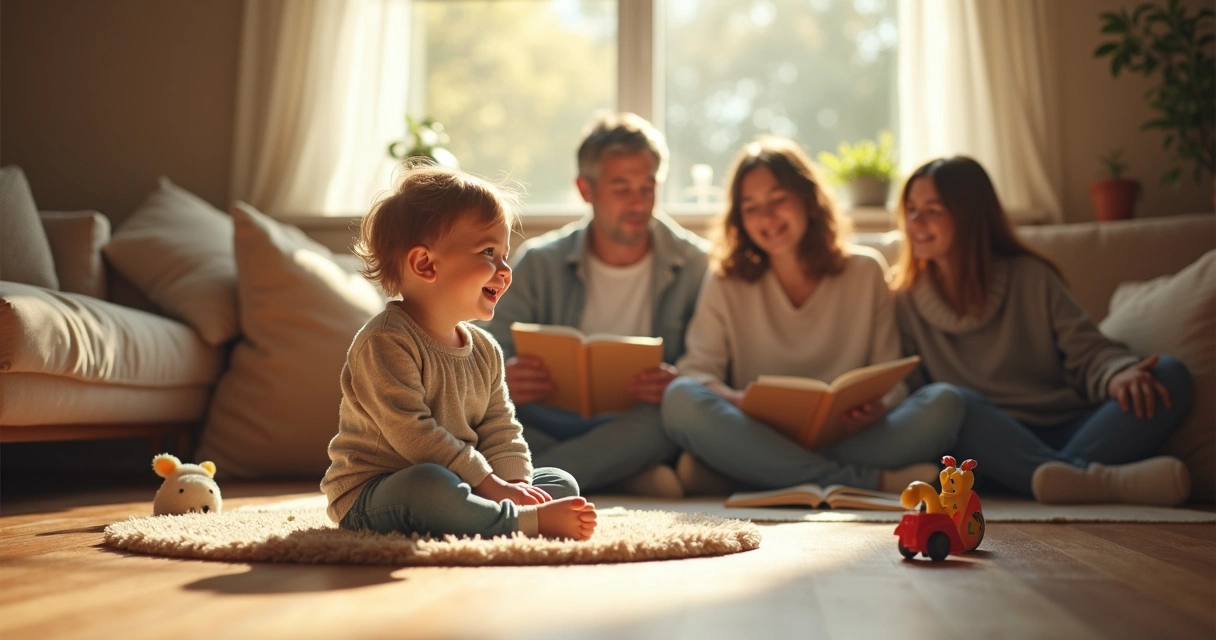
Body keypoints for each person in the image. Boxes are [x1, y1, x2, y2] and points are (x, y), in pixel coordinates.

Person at [661, 137, 965, 494]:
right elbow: (697, 371)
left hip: (851, 436)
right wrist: (737, 401)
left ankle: (749, 470)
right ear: (739, 220)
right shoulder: (726, 280)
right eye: (751, 207)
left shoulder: (865, 271)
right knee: (679, 398)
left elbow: (894, 377)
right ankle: (860, 481)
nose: (767, 217)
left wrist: (880, 405)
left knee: (946, 402)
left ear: (808, 200)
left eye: (778, 200)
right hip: (757, 431)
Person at [892, 156, 1194, 505]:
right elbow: (916, 399)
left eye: (933, 209)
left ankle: (1053, 477)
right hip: (987, 442)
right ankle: (1083, 479)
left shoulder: (1031, 277)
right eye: (911, 209)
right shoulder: (903, 302)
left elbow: (1089, 351)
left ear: (970, 216)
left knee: (1169, 376)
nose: (916, 221)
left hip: (1068, 429)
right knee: (953, 402)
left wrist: (1117, 374)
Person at [321, 166, 596, 540]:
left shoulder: (485, 350)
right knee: (429, 485)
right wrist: (493, 487)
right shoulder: (385, 342)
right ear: (425, 264)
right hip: (378, 491)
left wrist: (515, 483)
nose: (505, 270)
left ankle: (498, 515)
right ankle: (518, 524)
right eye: (488, 252)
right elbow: (415, 437)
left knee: (559, 483)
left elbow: (500, 427)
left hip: (464, 479)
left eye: (504, 254)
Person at [481, 112, 710, 498]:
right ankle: (621, 474)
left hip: (640, 421)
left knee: (672, 418)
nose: (638, 203)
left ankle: (535, 485)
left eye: (647, 186)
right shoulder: (539, 261)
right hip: (546, 417)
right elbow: (487, 352)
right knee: (480, 421)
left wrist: (678, 381)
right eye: (621, 188)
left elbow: (709, 361)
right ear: (586, 190)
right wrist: (507, 377)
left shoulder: (695, 263)